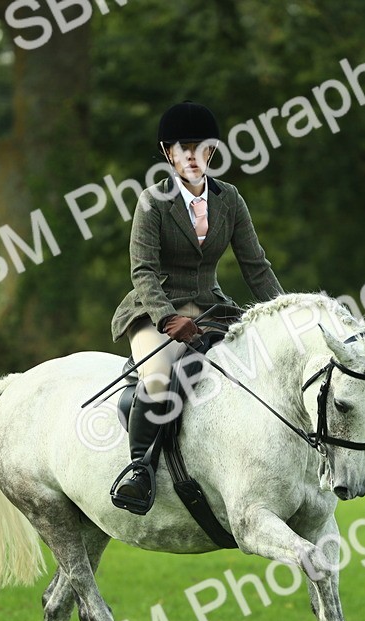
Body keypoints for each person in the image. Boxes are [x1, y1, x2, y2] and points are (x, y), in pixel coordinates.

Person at [109, 101, 285, 514]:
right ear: (168, 153)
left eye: (198, 146)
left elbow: (255, 265)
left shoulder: (230, 199)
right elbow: (143, 273)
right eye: (180, 147)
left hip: (211, 308)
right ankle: (139, 471)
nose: (190, 154)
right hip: (155, 310)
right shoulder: (152, 202)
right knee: (157, 379)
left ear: (211, 151)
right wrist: (170, 320)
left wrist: (285, 314)